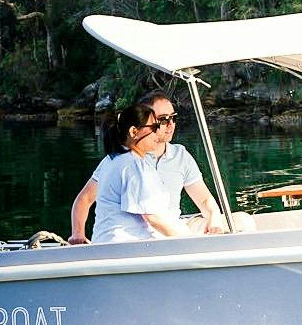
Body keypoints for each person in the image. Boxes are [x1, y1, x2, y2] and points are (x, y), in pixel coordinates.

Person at [68, 92, 224, 242]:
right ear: (135, 129)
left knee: (241, 221)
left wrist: (214, 222)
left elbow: (204, 200)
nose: (168, 125)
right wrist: (189, 242)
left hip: (142, 239)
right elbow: (152, 218)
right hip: (134, 244)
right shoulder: (134, 164)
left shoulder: (119, 158)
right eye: (160, 122)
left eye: (173, 118)